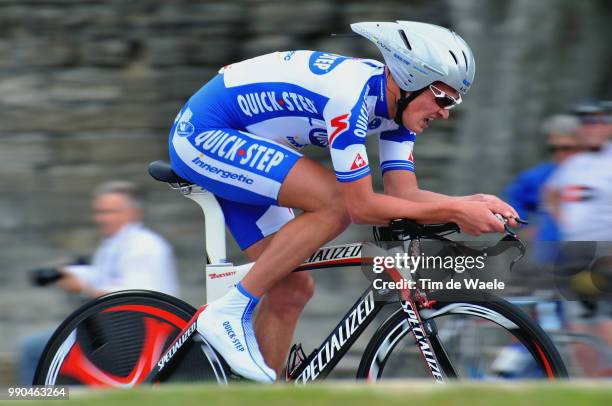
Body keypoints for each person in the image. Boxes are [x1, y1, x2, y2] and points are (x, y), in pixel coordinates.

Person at [168, 21, 518, 382]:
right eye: (443, 97)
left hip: (249, 140)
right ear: (412, 79)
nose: (446, 111)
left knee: (290, 288)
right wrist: (455, 211)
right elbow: (360, 208)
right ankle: (228, 312)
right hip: (205, 134)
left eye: (454, 101)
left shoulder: (400, 112)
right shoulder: (349, 97)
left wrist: (469, 202)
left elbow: (404, 196)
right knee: (335, 204)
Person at [20, 180, 179, 384]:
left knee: (33, 350)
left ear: (133, 213)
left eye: (109, 212)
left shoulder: (145, 246)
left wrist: (84, 287)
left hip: (135, 338)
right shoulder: (113, 245)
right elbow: (105, 278)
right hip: (113, 332)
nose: (101, 219)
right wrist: (71, 274)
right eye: (99, 212)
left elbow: (136, 301)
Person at [545, 100, 612, 376]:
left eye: (599, 121)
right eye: (586, 122)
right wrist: (567, 224)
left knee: (603, 314)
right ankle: (590, 382)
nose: (592, 127)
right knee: (578, 319)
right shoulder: (574, 164)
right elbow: (551, 194)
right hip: (575, 250)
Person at [504, 114, 580, 264]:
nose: (560, 153)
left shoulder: (600, 176)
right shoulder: (535, 176)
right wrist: (525, 229)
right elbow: (512, 204)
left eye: (567, 148)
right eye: (554, 149)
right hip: (548, 251)